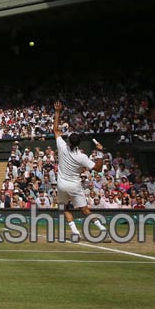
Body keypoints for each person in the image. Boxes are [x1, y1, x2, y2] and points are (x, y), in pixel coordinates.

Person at [53, 101, 106, 240]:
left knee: (64, 209)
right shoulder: (82, 157)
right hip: (75, 185)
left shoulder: (62, 146)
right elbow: (98, 168)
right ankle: (102, 228)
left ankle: (75, 232)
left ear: (69, 142)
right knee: (85, 210)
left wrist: (57, 112)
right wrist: (100, 152)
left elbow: (56, 130)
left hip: (62, 185)